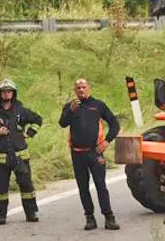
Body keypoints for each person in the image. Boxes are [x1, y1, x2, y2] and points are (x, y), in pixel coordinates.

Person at [58, 78, 121, 231]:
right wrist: (70, 110)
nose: (81, 90)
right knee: (83, 187)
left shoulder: (98, 105)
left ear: (89, 88)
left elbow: (115, 124)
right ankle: (90, 218)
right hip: (77, 153)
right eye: (78, 87)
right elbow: (62, 123)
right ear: (75, 90)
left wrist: (106, 141)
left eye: (83, 87)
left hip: (95, 152)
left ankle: (109, 217)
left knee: (101, 185)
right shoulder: (70, 106)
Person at [0, 78, 42, 224]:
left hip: (21, 156)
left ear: (13, 93)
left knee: (26, 185)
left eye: (9, 91)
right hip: (1, 158)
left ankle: (31, 213)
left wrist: (30, 133)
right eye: (4, 92)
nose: (6, 94)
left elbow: (38, 120)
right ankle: (1, 215)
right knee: (1, 188)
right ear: (0, 94)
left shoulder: (21, 111)